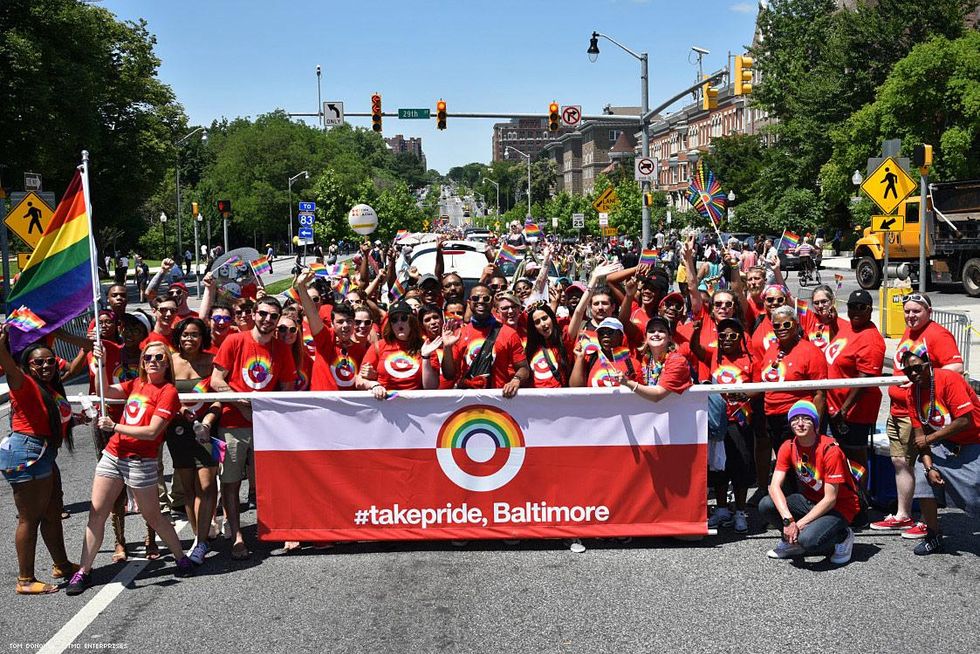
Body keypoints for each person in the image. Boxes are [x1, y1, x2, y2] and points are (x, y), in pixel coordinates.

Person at [67, 341, 193, 595]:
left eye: (159, 357)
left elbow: (152, 431)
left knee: (153, 516)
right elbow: (105, 390)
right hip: (113, 454)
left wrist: (114, 427)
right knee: (96, 515)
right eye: (148, 357)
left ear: (167, 361)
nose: (153, 361)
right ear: (142, 361)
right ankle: (84, 571)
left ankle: (180, 557)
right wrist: (100, 365)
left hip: (140, 460)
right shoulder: (137, 384)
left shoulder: (167, 391)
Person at [210, 296, 297, 560]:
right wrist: (243, 402)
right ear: (254, 314)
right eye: (263, 314)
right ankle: (237, 535)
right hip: (233, 425)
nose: (267, 320)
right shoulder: (235, 341)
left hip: (266, 427)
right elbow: (216, 381)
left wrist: (262, 411)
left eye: (273, 316)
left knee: (274, 482)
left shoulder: (282, 349)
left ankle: (281, 530)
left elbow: (286, 390)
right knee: (231, 483)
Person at [873, 293, 964, 536]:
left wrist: (921, 383)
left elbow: (955, 367)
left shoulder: (936, 334)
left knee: (924, 465)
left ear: (929, 311)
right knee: (900, 462)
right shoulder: (910, 333)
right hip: (899, 410)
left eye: (916, 311)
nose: (911, 315)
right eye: (907, 311)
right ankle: (903, 515)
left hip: (920, 413)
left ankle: (926, 520)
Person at [0, 329, 78, 595]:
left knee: (53, 512)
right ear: (27, 366)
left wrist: (78, 419)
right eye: (38, 362)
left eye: (49, 361)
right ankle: (25, 580)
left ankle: (62, 565)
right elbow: (9, 367)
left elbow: (52, 417)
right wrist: (2, 345)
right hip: (28, 453)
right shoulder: (23, 383)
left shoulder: (50, 388)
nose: (45, 365)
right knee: (29, 518)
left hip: (45, 454)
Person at [759, 400, 859, 565]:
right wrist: (788, 520)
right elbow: (774, 486)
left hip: (840, 506)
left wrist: (799, 524)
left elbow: (830, 499)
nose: (800, 424)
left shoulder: (830, 449)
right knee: (766, 505)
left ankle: (843, 536)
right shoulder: (788, 446)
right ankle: (793, 542)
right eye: (795, 419)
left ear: (815, 423)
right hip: (810, 500)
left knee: (809, 541)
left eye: (806, 419)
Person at [900, 350, 980, 555]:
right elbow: (920, 437)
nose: (913, 373)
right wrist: (929, 468)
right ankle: (933, 535)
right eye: (908, 370)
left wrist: (929, 439)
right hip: (946, 443)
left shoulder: (949, 380)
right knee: (921, 472)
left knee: (974, 494)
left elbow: (965, 420)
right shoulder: (912, 394)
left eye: (917, 367)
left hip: (975, 439)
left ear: (929, 364)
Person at [755, 304, 828, 502]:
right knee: (782, 464)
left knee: (800, 467)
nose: (782, 328)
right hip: (772, 416)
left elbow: (820, 393)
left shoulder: (810, 351)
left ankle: (804, 508)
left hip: (797, 419)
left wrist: (816, 425)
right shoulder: (771, 350)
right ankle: (786, 507)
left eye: (787, 324)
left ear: (796, 325)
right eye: (777, 325)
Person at [691, 317, 755, 534]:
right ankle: (721, 509)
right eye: (723, 335)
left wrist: (745, 393)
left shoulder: (750, 360)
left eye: (733, 335)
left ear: (741, 338)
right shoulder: (713, 357)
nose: (727, 339)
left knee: (740, 467)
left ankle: (740, 511)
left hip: (739, 421)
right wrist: (696, 331)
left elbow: (761, 386)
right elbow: (694, 348)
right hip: (717, 422)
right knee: (718, 467)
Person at [167, 317, 219, 565]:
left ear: (203, 337)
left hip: (206, 430)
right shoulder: (169, 362)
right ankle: (202, 535)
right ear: (178, 336)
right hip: (177, 431)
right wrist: (178, 413)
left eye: (195, 334)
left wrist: (207, 422)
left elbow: (220, 399)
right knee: (188, 489)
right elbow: (163, 397)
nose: (190, 339)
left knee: (207, 486)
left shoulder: (212, 361)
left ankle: (200, 542)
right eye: (185, 334)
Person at [825, 290, 885, 474]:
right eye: (852, 307)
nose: (856, 311)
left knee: (854, 460)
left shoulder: (871, 339)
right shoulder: (850, 327)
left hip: (853, 414)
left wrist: (843, 411)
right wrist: (834, 323)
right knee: (837, 458)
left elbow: (864, 380)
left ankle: (859, 500)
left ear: (870, 310)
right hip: (834, 408)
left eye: (861, 308)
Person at [441, 283, 529, 397]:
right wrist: (447, 347)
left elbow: (524, 368)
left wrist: (516, 379)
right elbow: (449, 375)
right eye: (475, 298)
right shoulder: (458, 334)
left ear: (492, 302)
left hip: (499, 399)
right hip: (467, 402)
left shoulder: (509, 334)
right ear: (469, 303)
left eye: (486, 298)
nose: (481, 301)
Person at [358, 301, 441, 397]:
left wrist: (425, 357)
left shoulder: (426, 346)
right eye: (394, 320)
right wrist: (373, 385)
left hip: (415, 405)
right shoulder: (378, 346)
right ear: (390, 324)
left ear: (411, 321)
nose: (399, 323)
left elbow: (431, 387)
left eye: (404, 318)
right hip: (385, 403)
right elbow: (359, 380)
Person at [615, 315, 692, 399]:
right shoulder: (647, 361)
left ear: (670, 337)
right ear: (646, 337)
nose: (656, 334)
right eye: (651, 331)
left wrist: (627, 382)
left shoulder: (677, 361)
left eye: (661, 331)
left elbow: (658, 395)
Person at [524, 302, 574, 388]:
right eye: (537, 322)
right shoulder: (530, 350)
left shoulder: (564, 341)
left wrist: (590, 290)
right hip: (537, 400)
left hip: (559, 398)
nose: (543, 324)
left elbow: (578, 312)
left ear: (552, 318)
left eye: (545, 318)